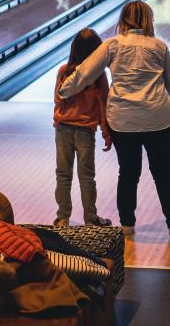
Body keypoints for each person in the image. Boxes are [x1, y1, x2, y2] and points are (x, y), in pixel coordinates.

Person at [58, 0, 170, 238]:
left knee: (128, 173)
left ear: (123, 21)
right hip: (158, 119)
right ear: (149, 20)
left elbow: (86, 71)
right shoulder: (159, 46)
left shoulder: (112, 45)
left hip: (123, 121)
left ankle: (127, 226)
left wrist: (64, 89)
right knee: (163, 173)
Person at [53, 28, 113, 228]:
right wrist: (106, 132)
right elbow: (104, 106)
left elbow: (57, 99)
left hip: (63, 130)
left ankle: (62, 218)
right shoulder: (99, 76)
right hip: (85, 132)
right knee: (87, 177)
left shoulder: (64, 71)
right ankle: (91, 218)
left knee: (63, 174)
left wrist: (60, 118)